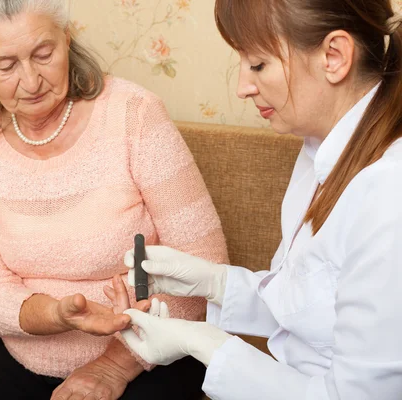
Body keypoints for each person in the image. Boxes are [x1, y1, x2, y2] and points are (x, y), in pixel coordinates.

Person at [0, 0, 229, 399]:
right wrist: (57, 313)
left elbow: (206, 269)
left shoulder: (134, 113)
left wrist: (111, 366)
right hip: (22, 351)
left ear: (67, 38)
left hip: (150, 349)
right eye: (6, 66)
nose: (31, 80)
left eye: (44, 54)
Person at [115, 0, 402, 399]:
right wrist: (213, 283)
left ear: (334, 56)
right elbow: (308, 306)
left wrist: (204, 345)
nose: (242, 87)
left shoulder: (390, 193)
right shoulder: (320, 149)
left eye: (258, 65)